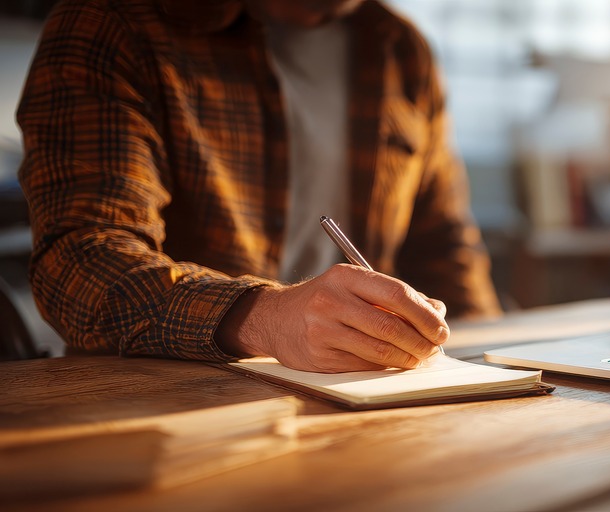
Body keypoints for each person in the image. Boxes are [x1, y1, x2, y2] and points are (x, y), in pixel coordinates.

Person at [16, 0, 502, 372]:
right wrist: (264, 318)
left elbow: (444, 246)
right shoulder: (113, 22)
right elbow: (80, 263)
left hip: (364, 395)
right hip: (167, 414)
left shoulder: (399, 46)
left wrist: (491, 371)